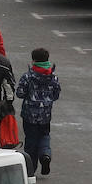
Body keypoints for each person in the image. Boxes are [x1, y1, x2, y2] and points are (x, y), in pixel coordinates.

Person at [16, 47, 61, 175]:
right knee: (44, 136)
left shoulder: (28, 76)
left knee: (31, 140)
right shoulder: (53, 77)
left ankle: (31, 167)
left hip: (29, 114)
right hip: (45, 115)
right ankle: (45, 155)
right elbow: (56, 95)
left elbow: (20, 93)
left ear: (34, 60)